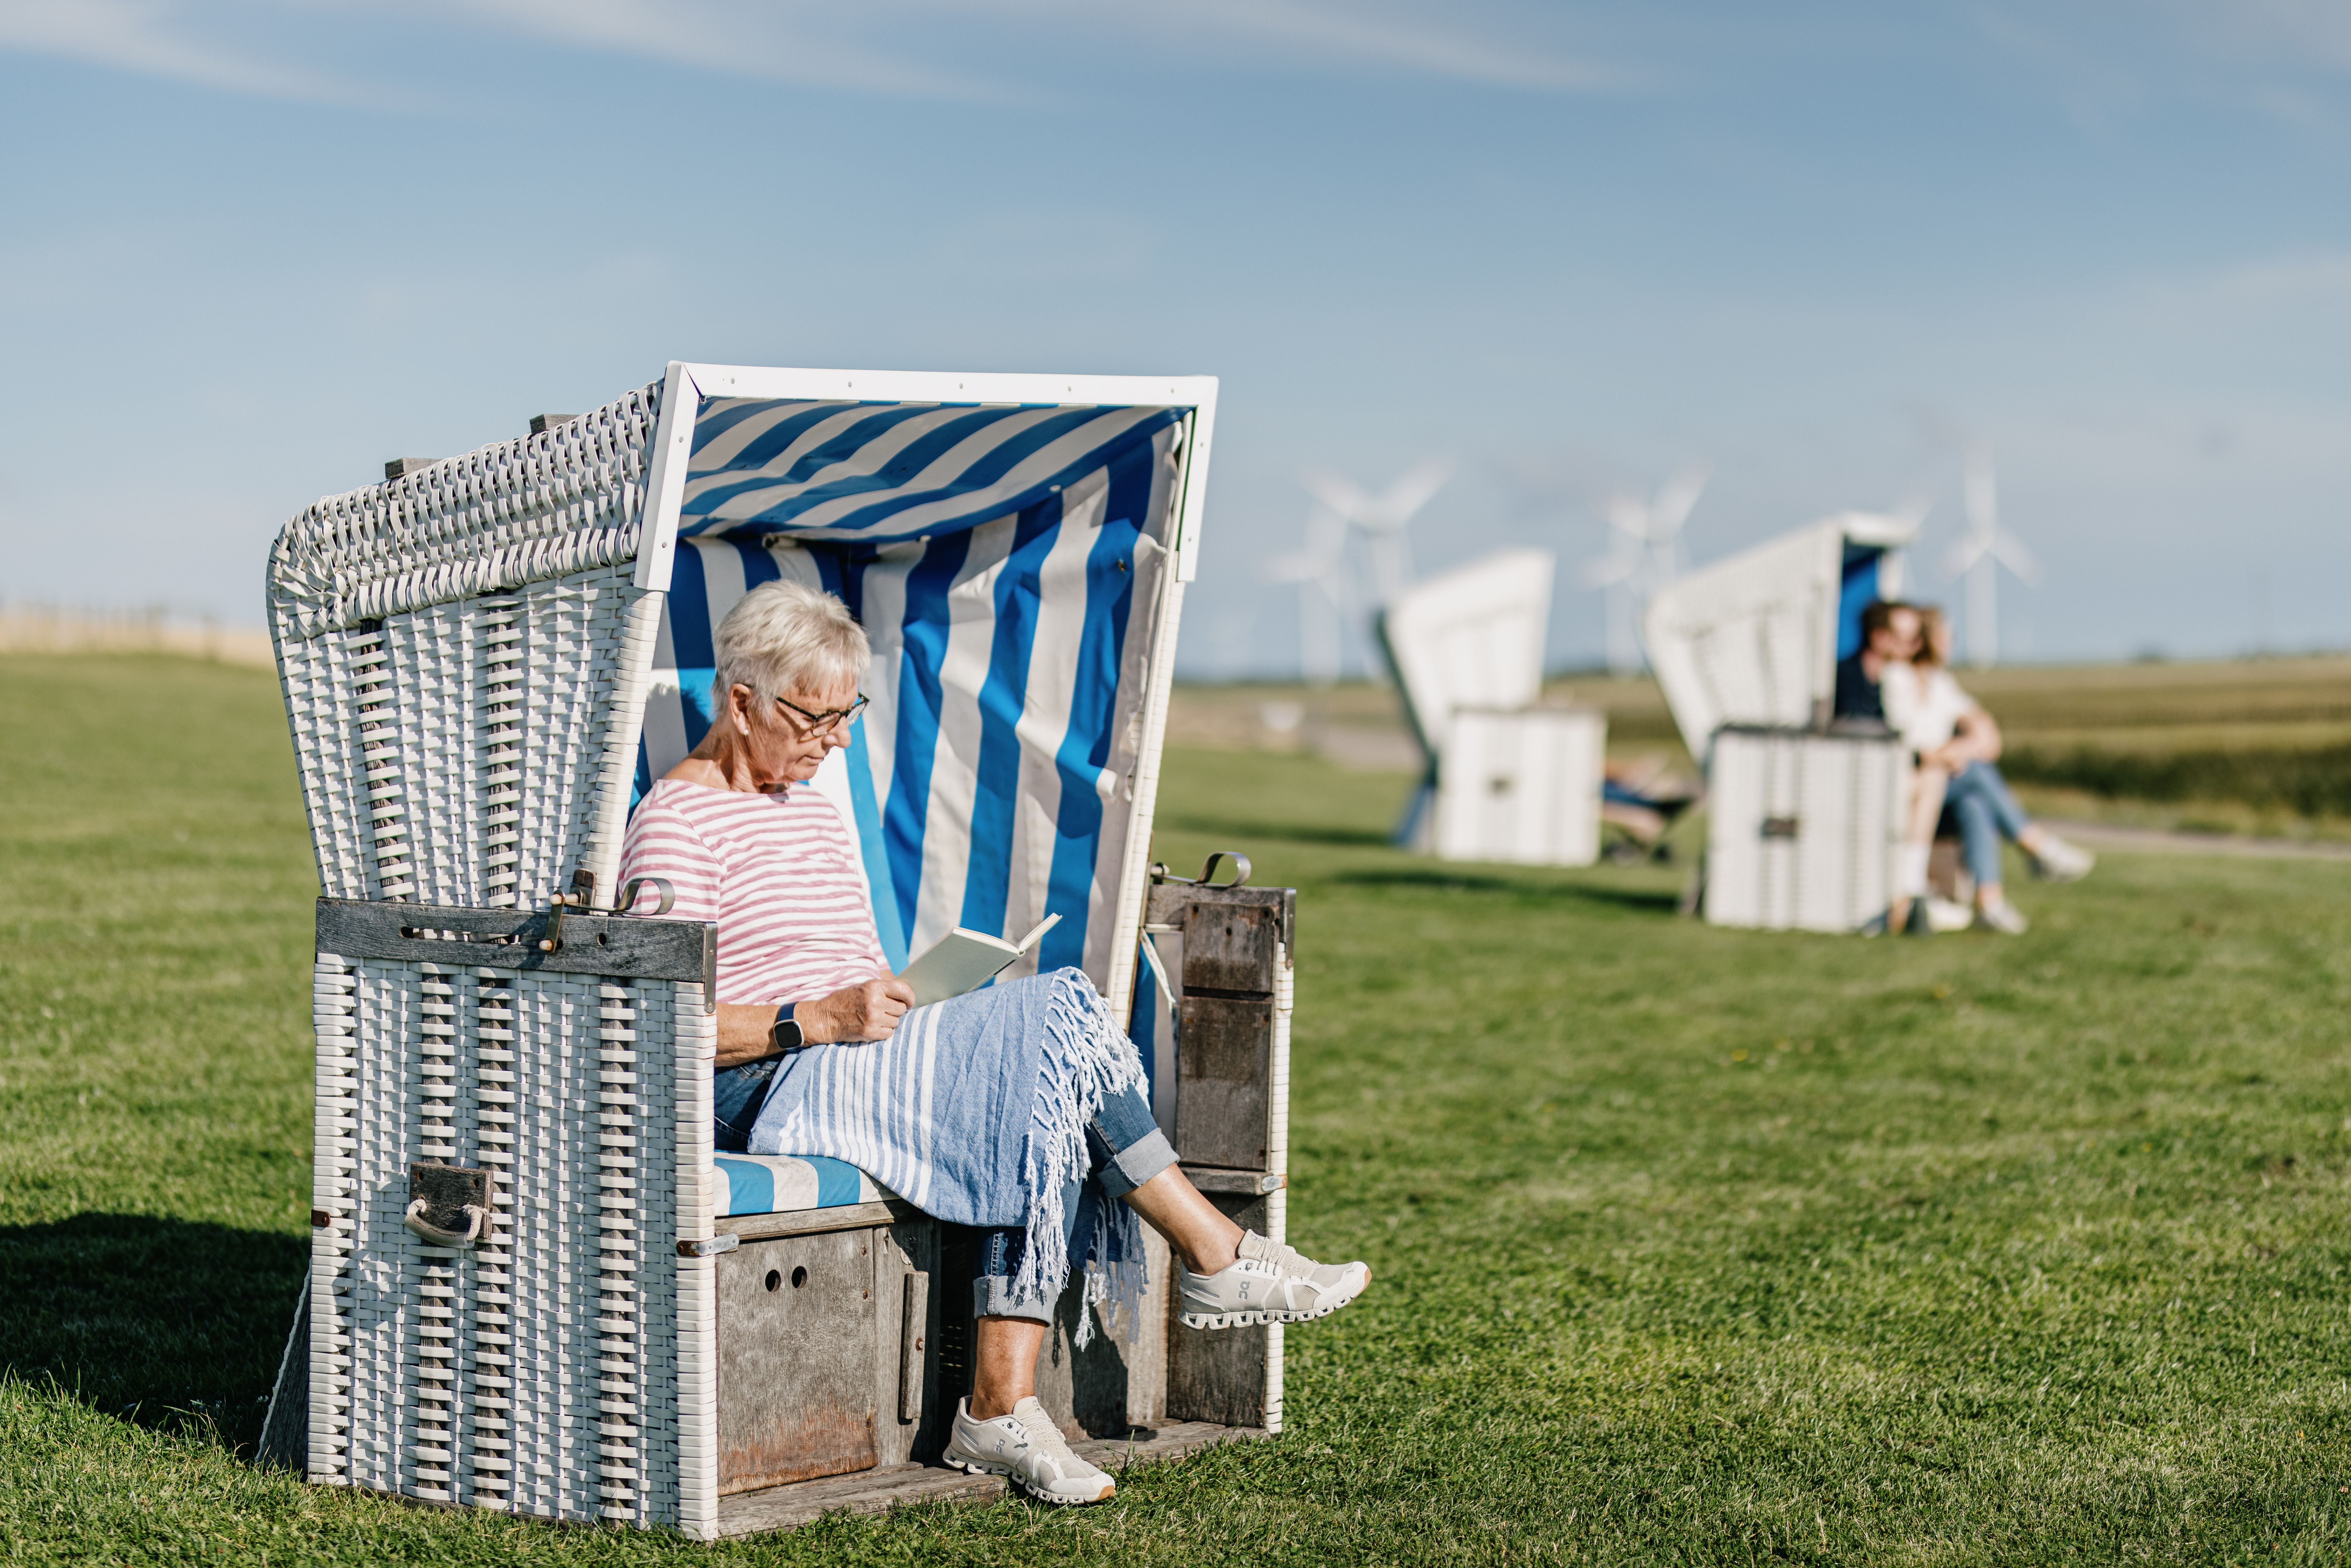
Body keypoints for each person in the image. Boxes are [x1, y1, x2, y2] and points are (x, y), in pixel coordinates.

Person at [618, 580, 1370, 1507]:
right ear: (741, 703)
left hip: (852, 1051)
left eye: (849, 717)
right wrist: (813, 1019)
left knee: (1032, 1080)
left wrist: (902, 1001)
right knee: (1053, 1025)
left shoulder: (811, 805)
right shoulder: (675, 824)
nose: (838, 741)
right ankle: (1209, 1257)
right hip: (771, 1080)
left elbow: (850, 967)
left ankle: (1003, 1407)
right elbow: (652, 1026)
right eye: (818, 720)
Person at [1881, 606, 2094, 934]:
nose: (1951, 643)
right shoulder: (1896, 678)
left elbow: (1985, 733)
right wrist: (1955, 751)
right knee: (1975, 774)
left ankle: (1989, 902)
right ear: (1927, 640)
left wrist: (1957, 749)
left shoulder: (1940, 683)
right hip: (1909, 786)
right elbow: (1911, 746)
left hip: (1942, 785)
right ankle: (2035, 846)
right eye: (1945, 635)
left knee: (1974, 803)